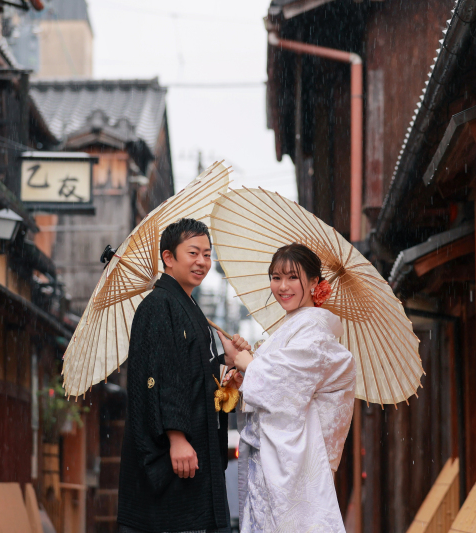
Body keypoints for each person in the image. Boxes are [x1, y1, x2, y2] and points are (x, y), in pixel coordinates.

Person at [118, 218, 248, 533]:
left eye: (207, 253)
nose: (202, 262)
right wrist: (176, 437)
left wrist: (227, 370)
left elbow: (196, 377)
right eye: (193, 253)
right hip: (175, 450)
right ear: (168, 257)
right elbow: (159, 375)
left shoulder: (187, 306)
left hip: (195, 447)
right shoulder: (159, 305)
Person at [218, 243, 356, 533]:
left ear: (315, 282)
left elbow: (286, 387)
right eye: (276, 277)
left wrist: (247, 363)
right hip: (274, 460)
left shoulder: (314, 331)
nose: (282, 286)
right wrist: (247, 369)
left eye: (293, 277)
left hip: (293, 464)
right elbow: (274, 379)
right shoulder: (291, 327)